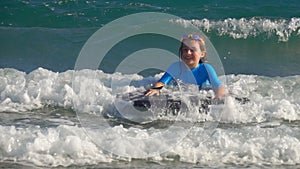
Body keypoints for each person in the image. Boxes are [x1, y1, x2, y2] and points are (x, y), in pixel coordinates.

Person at [145, 33, 225, 99]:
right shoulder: (176, 67)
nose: (188, 53)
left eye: (192, 50)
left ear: (202, 54)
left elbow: (218, 86)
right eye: (185, 50)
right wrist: (156, 89)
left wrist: (219, 96)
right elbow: (162, 82)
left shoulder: (206, 68)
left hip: (201, 93)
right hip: (180, 94)